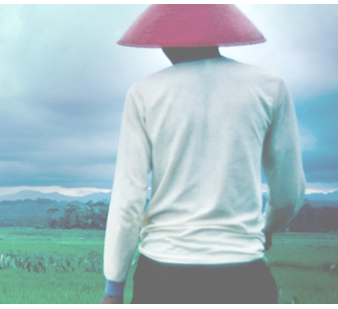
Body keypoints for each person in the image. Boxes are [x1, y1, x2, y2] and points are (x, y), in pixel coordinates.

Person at [100, 4, 306, 304]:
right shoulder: (270, 87)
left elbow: (128, 200)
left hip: (163, 276)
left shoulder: (144, 93)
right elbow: (288, 194)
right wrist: (266, 228)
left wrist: (113, 289)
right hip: (244, 275)